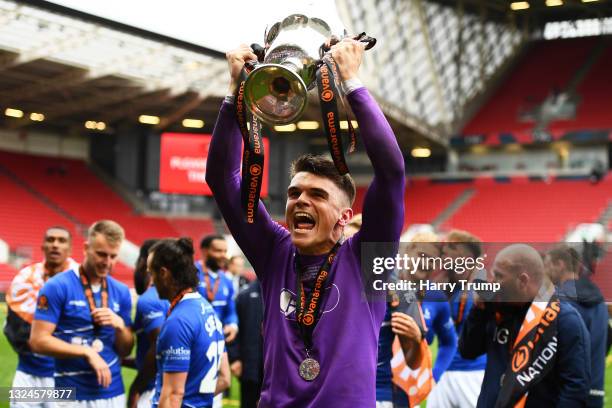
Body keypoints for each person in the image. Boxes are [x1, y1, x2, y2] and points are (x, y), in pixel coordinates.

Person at [206, 39, 405, 407]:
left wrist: (352, 83)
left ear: (345, 217)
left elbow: (391, 172)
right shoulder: (274, 253)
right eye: (295, 193)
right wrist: (236, 92)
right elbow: (222, 178)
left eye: (317, 195)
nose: (300, 200)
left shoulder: (368, 259)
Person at [460, 244, 591, 407]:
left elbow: (575, 388)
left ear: (522, 281)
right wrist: (478, 311)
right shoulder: (495, 309)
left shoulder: (564, 319)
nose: (492, 282)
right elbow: (468, 351)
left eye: (499, 276)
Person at [30, 220, 133, 407]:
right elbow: (38, 341)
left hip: (113, 393)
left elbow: (125, 350)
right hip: (68, 394)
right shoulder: (57, 286)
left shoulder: (122, 291)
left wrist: (120, 327)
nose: (107, 262)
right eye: (101, 254)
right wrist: (87, 352)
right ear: (86, 248)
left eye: (113, 256)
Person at [148, 238, 229, 408]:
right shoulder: (208, 310)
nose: (151, 281)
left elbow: (172, 396)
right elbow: (224, 379)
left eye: (151, 273)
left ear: (163, 273)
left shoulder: (178, 321)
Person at [5, 226, 78, 408]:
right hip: (29, 374)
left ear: (70, 248)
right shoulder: (25, 277)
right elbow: (15, 329)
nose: (55, 245)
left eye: (61, 241)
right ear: (42, 246)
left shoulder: (80, 279)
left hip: (65, 377)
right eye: (50, 240)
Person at [427, 230, 486, 408]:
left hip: (473, 373)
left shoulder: (482, 290)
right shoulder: (442, 286)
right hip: (443, 371)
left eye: (451, 247)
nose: (444, 251)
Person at [545, 244, 607, 408]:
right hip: (596, 392)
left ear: (560, 264)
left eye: (548, 265)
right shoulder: (599, 299)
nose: (546, 272)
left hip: (567, 393)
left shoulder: (560, 301)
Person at [128, 239, 170, 408]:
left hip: (154, 392)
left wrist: (136, 388)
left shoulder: (149, 299)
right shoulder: (193, 299)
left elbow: (160, 347)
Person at [227, 279, 264, 408]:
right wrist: (235, 358)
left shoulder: (283, 295)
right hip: (249, 367)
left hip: (276, 368)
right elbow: (234, 330)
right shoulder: (244, 295)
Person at [196, 235, 238, 343]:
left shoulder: (226, 280)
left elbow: (231, 310)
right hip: (196, 337)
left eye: (225, 251)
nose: (223, 255)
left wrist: (232, 325)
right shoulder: (192, 274)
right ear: (205, 251)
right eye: (218, 251)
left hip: (219, 339)